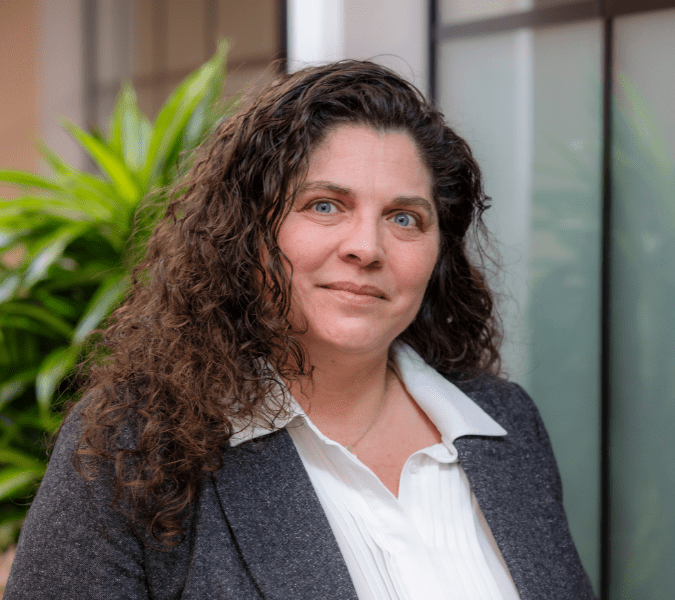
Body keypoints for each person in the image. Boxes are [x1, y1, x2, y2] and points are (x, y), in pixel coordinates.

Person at [5, 60, 596, 600]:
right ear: (247, 232)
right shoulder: (137, 445)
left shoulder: (503, 424)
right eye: (324, 206)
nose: (367, 247)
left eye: (403, 218)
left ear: (438, 253)